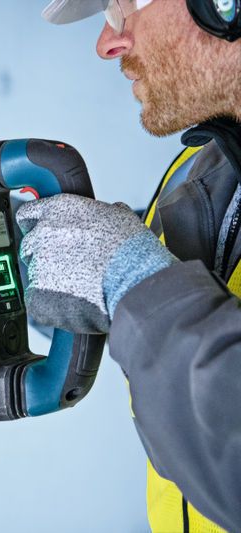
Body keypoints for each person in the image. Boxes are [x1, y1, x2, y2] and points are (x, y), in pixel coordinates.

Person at [17, 0, 241, 531]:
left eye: (122, 5)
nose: (108, 44)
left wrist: (127, 279)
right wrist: (29, 255)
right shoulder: (211, 166)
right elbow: (177, 278)